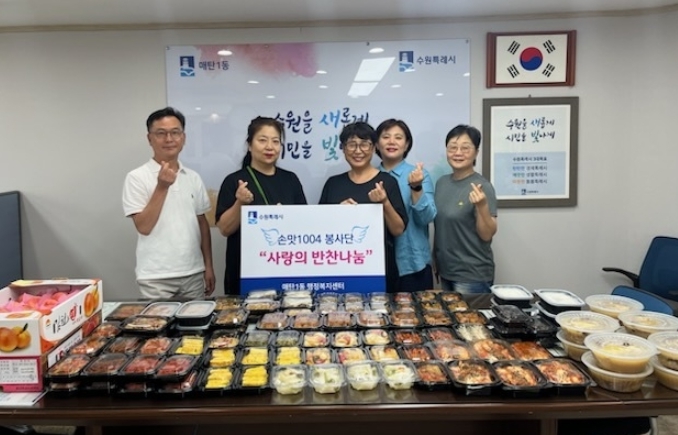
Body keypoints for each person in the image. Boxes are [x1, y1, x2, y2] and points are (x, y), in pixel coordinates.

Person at [122, 107, 215, 300]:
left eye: (175, 132)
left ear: (183, 137)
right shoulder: (136, 177)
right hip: (156, 277)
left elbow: (202, 224)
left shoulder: (193, 177)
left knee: (197, 320)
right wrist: (162, 187)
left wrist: (208, 266)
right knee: (158, 321)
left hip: (193, 273)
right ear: (149, 138)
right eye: (161, 133)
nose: (169, 139)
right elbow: (144, 227)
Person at [215, 116, 307, 295]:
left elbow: (303, 224)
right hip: (245, 269)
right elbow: (225, 229)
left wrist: (286, 218)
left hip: (284, 266)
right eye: (262, 140)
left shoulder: (290, 180)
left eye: (275, 141)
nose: (269, 147)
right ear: (249, 145)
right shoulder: (234, 181)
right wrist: (240, 203)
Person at [319, 121, 408, 293]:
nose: (358, 151)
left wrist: (384, 202)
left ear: (373, 148)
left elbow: (398, 230)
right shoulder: (333, 183)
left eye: (364, 144)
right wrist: (337, 213)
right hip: (340, 267)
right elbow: (320, 228)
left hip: (380, 268)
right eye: (352, 145)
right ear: (343, 148)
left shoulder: (387, 182)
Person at [433, 124, 497, 294]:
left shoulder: (482, 186)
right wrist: (436, 261)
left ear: (476, 152)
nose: (458, 153)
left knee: (471, 314)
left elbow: (487, 234)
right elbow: (441, 227)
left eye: (465, 148)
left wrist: (482, 206)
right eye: (453, 147)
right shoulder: (441, 183)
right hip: (446, 271)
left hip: (472, 275)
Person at [375, 119, 436, 292]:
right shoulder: (370, 177)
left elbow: (427, 218)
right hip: (377, 265)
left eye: (398, 137)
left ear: (407, 144)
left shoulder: (419, 175)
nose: (392, 142)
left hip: (412, 264)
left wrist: (416, 188)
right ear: (377, 144)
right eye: (386, 137)